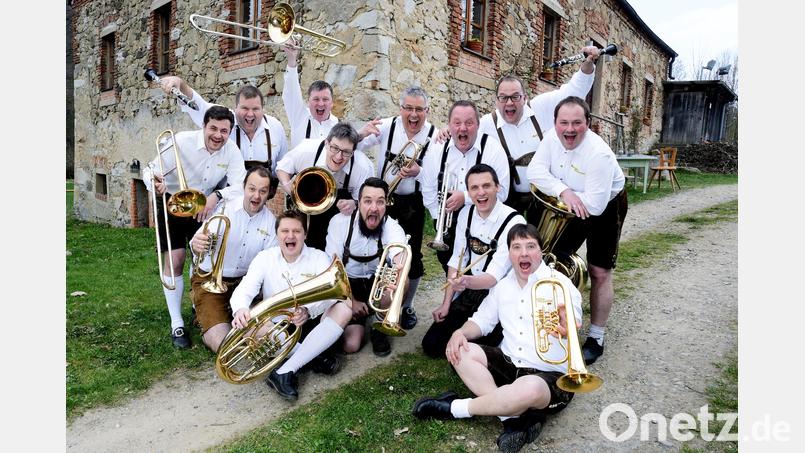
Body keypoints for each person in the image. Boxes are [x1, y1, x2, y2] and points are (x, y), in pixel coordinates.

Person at [412, 223, 583, 453]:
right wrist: (459, 333)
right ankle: (513, 419)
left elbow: (573, 321)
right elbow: (482, 321)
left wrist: (566, 325)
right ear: (509, 254)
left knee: (529, 389)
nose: (523, 253)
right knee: (460, 350)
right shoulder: (503, 286)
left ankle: (454, 407)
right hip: (510, 364)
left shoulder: (561, 284)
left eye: (530, 246)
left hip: (550, 376)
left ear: (540, 251)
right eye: (517, 247)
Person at [526, 96, 627, 365]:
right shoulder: (551, 137)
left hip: (605, 205)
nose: (569, 130)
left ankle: (596, 337)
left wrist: (565, 191)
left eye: (576, 123)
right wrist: (563, 190)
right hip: (567, 200)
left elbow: (593, 206)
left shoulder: (600, 155)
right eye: (564, 123)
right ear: (555, 123)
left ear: (588, 124)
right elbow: (534, 171)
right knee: (551, 261)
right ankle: (546, 320)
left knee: (599, 271)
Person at [143, 106, 247, 348]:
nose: (218, 135)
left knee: (202, 258)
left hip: (204, 205)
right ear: (204, 126)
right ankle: (176, 323)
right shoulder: (181, 141)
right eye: (213, 128)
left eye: (224, 130)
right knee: (176, 260)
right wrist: (154, 183)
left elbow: (240, 185)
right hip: (173, 201)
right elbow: (150, 171)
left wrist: (216, 196)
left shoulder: (231, 150)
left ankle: (196, 304)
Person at [229, 210, 353, 401]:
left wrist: (308, 310)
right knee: (247, 324)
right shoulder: (265, 258)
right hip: (276, 329)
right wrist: (240, 309)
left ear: (305, 234)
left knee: (344, 308)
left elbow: (331, 297)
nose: (290, 236)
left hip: (311, 325)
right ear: (277, 234)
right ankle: (313, 357)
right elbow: (246, 288)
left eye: (296, 231)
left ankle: (285, 370)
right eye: (285, 231)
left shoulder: (319, 257)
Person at [477, 45, 601, 219]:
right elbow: (463, 132)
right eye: (503, 98)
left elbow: (575, 90)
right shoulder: (486, 123)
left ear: (525, 97)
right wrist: (446, 131)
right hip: (510, 201)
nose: (509, 103)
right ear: (496, 101)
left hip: (546, 197)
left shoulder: (542, 106)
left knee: (546, 245)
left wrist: (588, 64)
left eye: (515, 96)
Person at [355, 86, 440, 330]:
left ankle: (406, 305)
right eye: (409, 109)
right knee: (379, 254)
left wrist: (419, 171)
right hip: (384, 200)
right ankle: (380, 303)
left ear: (427, 111)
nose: (414, 115)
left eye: (419, 110)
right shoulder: (387, 126)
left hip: (413, 203)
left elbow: (435, 175)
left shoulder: (434, 135)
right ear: (400, 109)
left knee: (411, 256)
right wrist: (361, 134)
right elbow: (356, 147)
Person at [421, 164, 524, 359]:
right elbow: (456, 261)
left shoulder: (514, 222)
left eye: (487, 186)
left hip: (498, 296)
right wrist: (446, 304)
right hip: (471, 291)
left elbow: (493, 277)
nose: (481, 192)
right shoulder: (466, 214)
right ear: (468, 192)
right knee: (432, 345)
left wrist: (465, 281)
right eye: (474, 188)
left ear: (498, 187)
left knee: (478, 349)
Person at [187, 166, 278, 352]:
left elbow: (268, 267)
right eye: (252, 189)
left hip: (244, 286)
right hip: (210, 281)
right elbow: (199, 245)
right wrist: (197, 244)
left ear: (269, 194)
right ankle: (205, 312)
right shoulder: (224, 209)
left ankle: (225, 315)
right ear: (244, 187)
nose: (256, 196)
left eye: (262, 191)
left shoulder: (271, 223)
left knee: (264, 333)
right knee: (224, 345)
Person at [158, 76, 288, 197]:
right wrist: (180, 84)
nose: (250, 114)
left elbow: (282, 166)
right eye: (244, 108)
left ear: (262, 109)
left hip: (259, 200)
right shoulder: (225, 120)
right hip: (224, 200)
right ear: (235, 108)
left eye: (255, 109)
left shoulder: (275, 128)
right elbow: (198, 105)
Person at [419, 100, 510, 272]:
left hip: (483, 222)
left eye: (469, 123)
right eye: (457, 123)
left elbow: (502, 192)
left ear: (477, 125)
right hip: (448, 223)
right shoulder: (437, 149)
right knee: (450, 267)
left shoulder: (493, 149)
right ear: (449, 125)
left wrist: (465, 197)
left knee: (480, 270)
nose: (463, 128)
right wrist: (438, 218)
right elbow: (428, 189)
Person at [325, 178, 409, 357]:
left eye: (380, 201)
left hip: (376, 285)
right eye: (368, 201)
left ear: (386, 204)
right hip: (348, 286)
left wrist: (400, 270)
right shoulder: (339, 223)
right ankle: (353, 319)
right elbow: (333, 270)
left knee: (404, 279)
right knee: (351, 345)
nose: (374, 208)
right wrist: (351, 301)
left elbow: (400, 256)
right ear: (358, 203)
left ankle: (380, 325)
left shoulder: (391, 226)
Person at [276, 122, 374, 250]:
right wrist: (287, 186)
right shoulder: (307, 149)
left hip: (339, 216)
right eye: (335, 148)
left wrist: (354, 203)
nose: (339, 157)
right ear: (327, 143)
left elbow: (367, 200)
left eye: (346, 152)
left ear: (353, 151)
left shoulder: (363, 167)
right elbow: (282, 168)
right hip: (306, 207)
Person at [282, 43, 339, 149]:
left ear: (332, 103)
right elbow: (291, 91)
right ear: (308, 101)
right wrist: (291, 59)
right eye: (316, 99)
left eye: (325, 99)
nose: (321, 103)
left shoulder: (338, 126)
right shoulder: (299, 117)